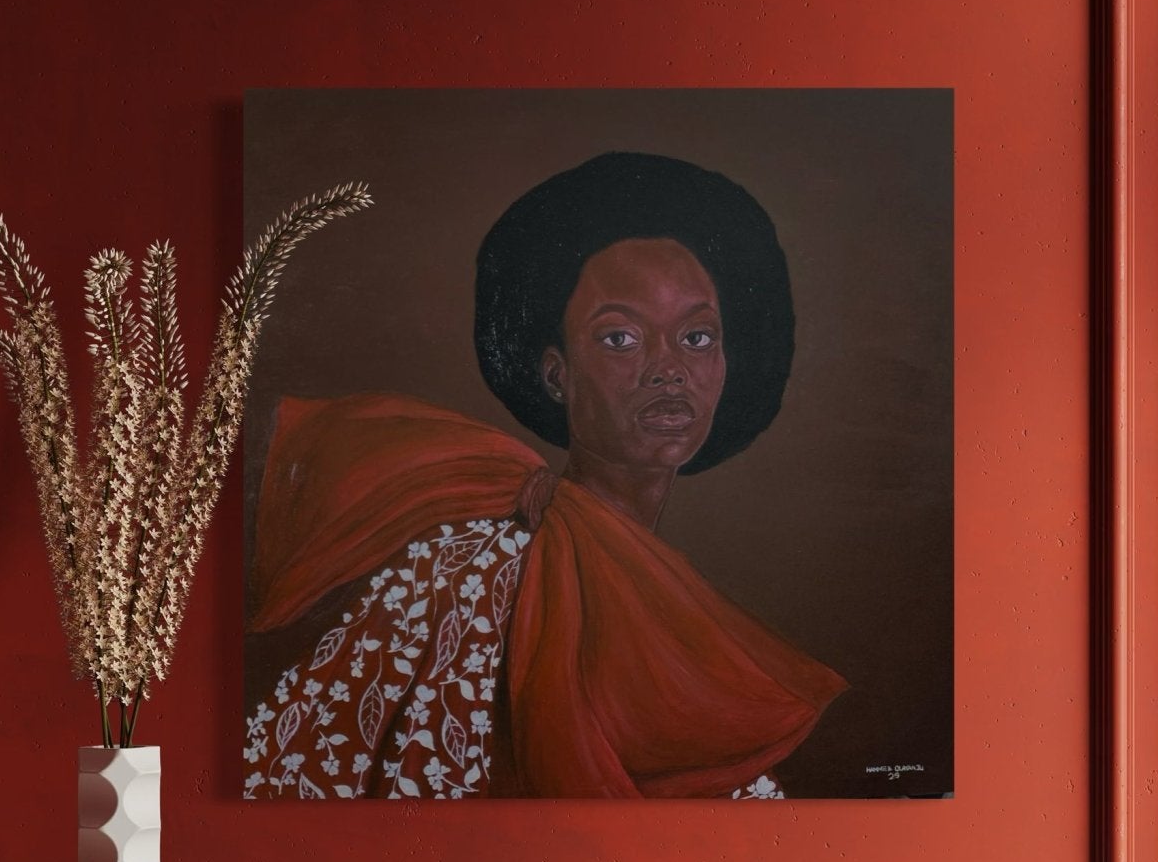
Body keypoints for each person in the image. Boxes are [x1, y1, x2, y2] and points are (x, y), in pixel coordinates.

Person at [243, 150, 846, 800]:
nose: (668, 369)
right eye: (621, 338)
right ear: (556, 373)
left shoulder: (680, 606)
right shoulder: (467, 573)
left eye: (697, 338)